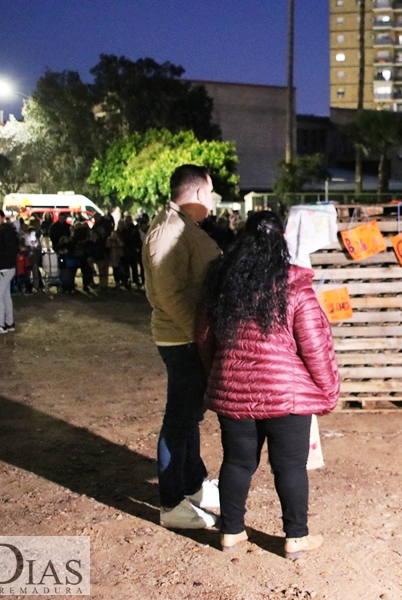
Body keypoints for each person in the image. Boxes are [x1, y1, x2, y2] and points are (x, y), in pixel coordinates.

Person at [196, 210, 339, 557]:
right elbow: (315, 344)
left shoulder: (221, 281)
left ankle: (230, 531)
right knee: (289, 466)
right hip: (286, 395)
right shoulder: (295, 286)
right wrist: (328, 391)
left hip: (234, 391)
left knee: (237, 462)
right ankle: (295, 537)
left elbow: (203, 336)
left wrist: (217, 373)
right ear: (281, 242)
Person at [143, 164, 223, 529]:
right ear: (198, 194)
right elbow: (166, 291)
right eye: (210, 193)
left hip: (188, 337)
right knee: (179, 420)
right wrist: (198, 333)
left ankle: (192, 485)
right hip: (182, 339)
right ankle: (171, 502)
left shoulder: (181, 227)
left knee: (190, 416)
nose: (212, 201)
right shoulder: (169, 231)